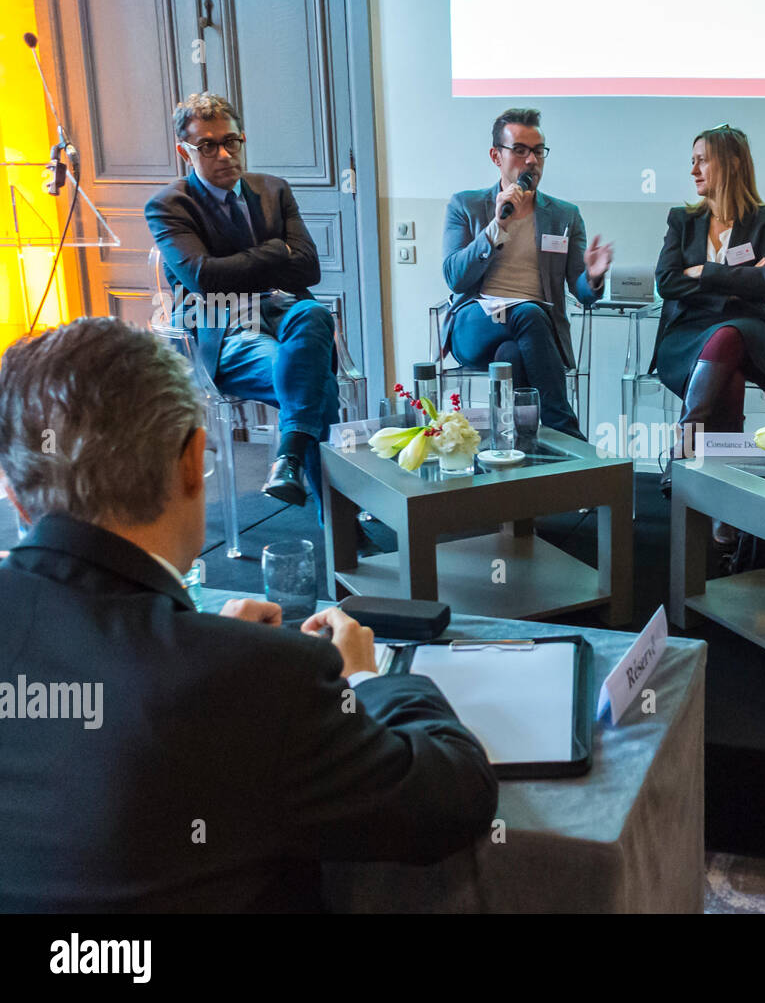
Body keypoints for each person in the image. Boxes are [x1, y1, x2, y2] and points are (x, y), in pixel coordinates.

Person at [0, 318, 498, 912]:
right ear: (192, 462)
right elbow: (454, 798)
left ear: (14, 495)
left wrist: (211, 649)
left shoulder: (234, 670)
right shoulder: (263, 679)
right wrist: (366, 680)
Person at [145, 92, 337, 511]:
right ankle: (342, 524)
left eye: (231, 141)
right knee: (315, 383)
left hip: (285, 310)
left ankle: (288, 461)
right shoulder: (168, 205)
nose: (224, 154)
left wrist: (248, 263)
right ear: (185, 152)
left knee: (314, 312)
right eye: (207, 146)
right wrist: (275, 252)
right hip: (222, 325)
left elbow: (308, 269)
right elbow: (204, 279)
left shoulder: (272, 189)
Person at [441, 107, 612, 439]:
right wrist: (498, 225)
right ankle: (567, 433)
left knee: (512, 356)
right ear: (496, 156)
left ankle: (522, 452)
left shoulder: (564, 215)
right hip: (475, 323)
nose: (531, 160)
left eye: (537, 151)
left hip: (533, 336)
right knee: (529, 312)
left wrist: (593, 275)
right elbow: (454, 277)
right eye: (520, 150)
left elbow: (582, 291)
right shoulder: (466, 205)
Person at [653, 124, 765, 532]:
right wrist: (733, 279)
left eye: (702, 160)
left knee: (727, 337)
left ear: (730, 164)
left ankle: (684, 447)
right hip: (687, 333)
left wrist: (703, 271)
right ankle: (726, 513)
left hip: (746, 329)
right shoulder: (683, 220)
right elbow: (666, 281)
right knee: (727, 376)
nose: (693, 169)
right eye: (691, 160)